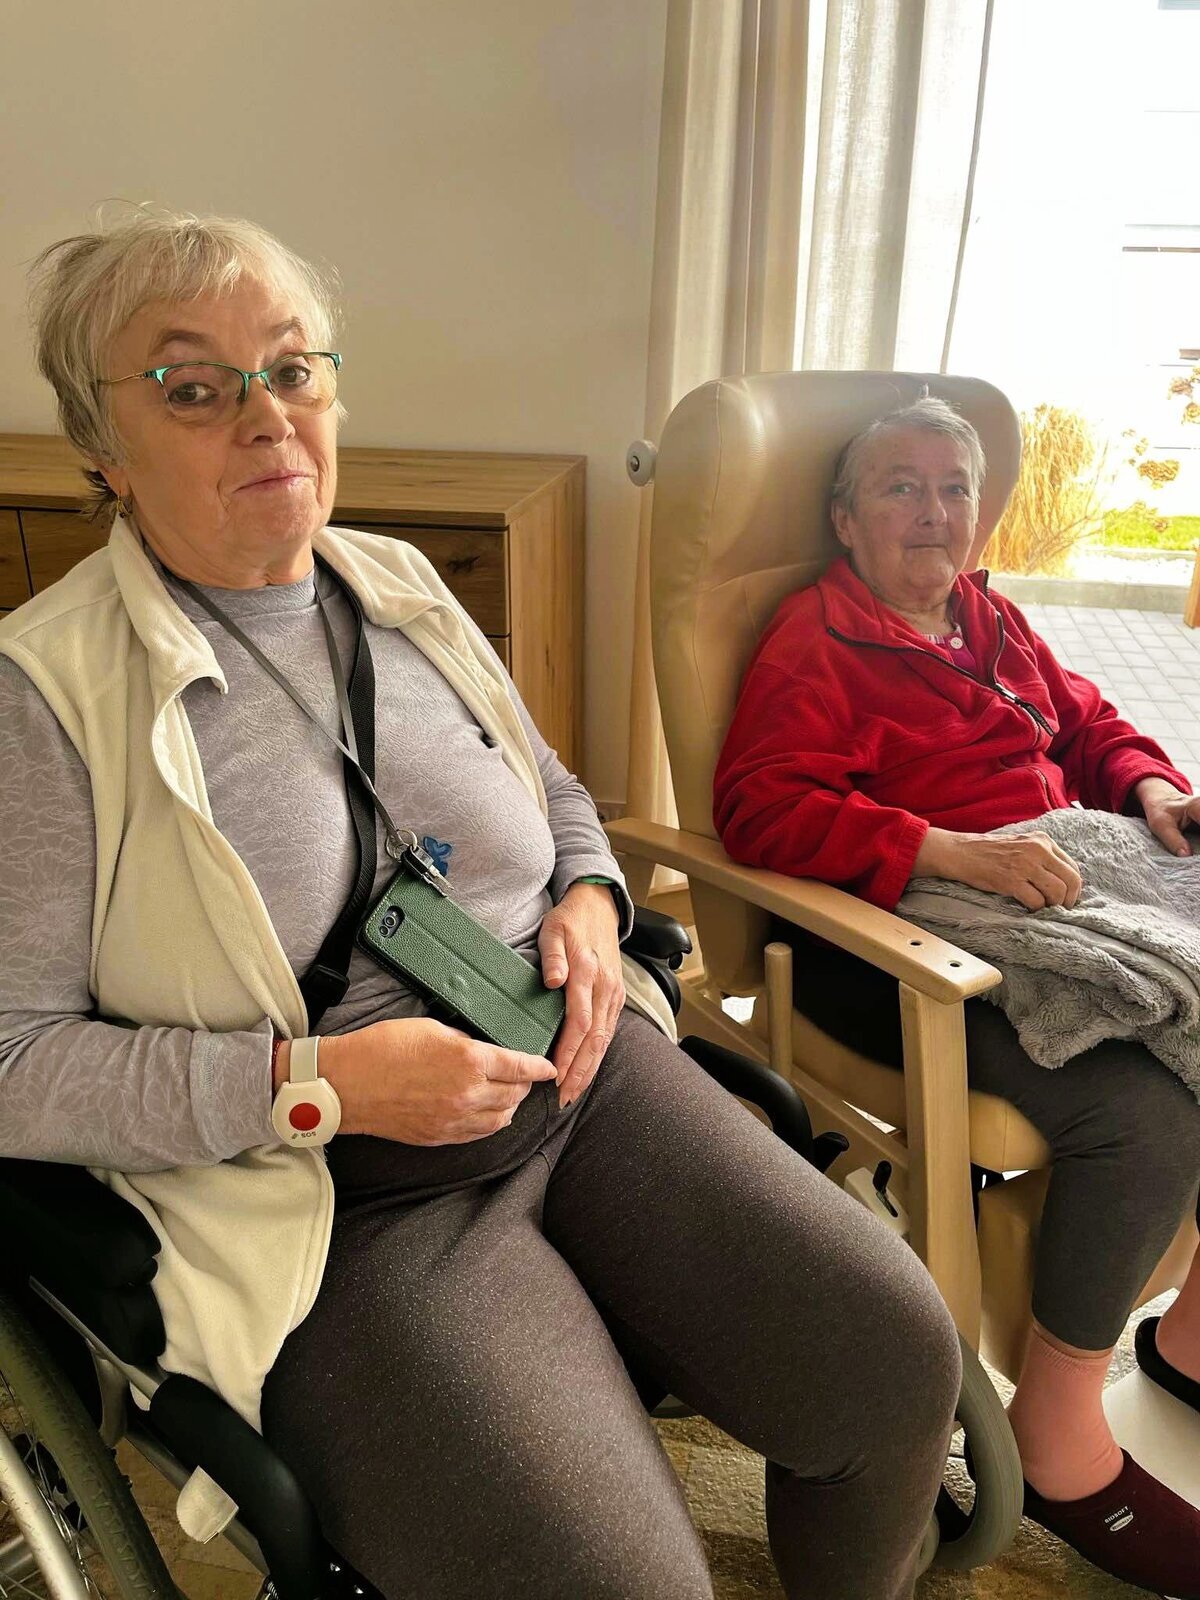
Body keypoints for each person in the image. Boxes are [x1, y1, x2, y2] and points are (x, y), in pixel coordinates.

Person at [0, 211, 961, 1600]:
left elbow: (550, 788)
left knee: (895, 1369)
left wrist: (590, 896)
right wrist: (313, 1087)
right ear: (102, 446)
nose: (267, 417)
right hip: (342, 1202)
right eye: (195, 388)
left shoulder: (394, 584)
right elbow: (13, 1063)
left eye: (293, 370)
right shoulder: (42, 698)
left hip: (585, 1073)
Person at [715, 394, 1200, 1599]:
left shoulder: (986, 615)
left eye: (953, 489)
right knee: (1147, 1112)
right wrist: (945, 849)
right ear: (846, 518)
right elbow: (762, 807)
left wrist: (1149, 791)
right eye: (901, 487)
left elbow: (1087, 724)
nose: (934, 512)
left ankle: (1189, 1343)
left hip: (1045, 903)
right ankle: (1059, 1435)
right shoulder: (817, 637)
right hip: (890, 946)